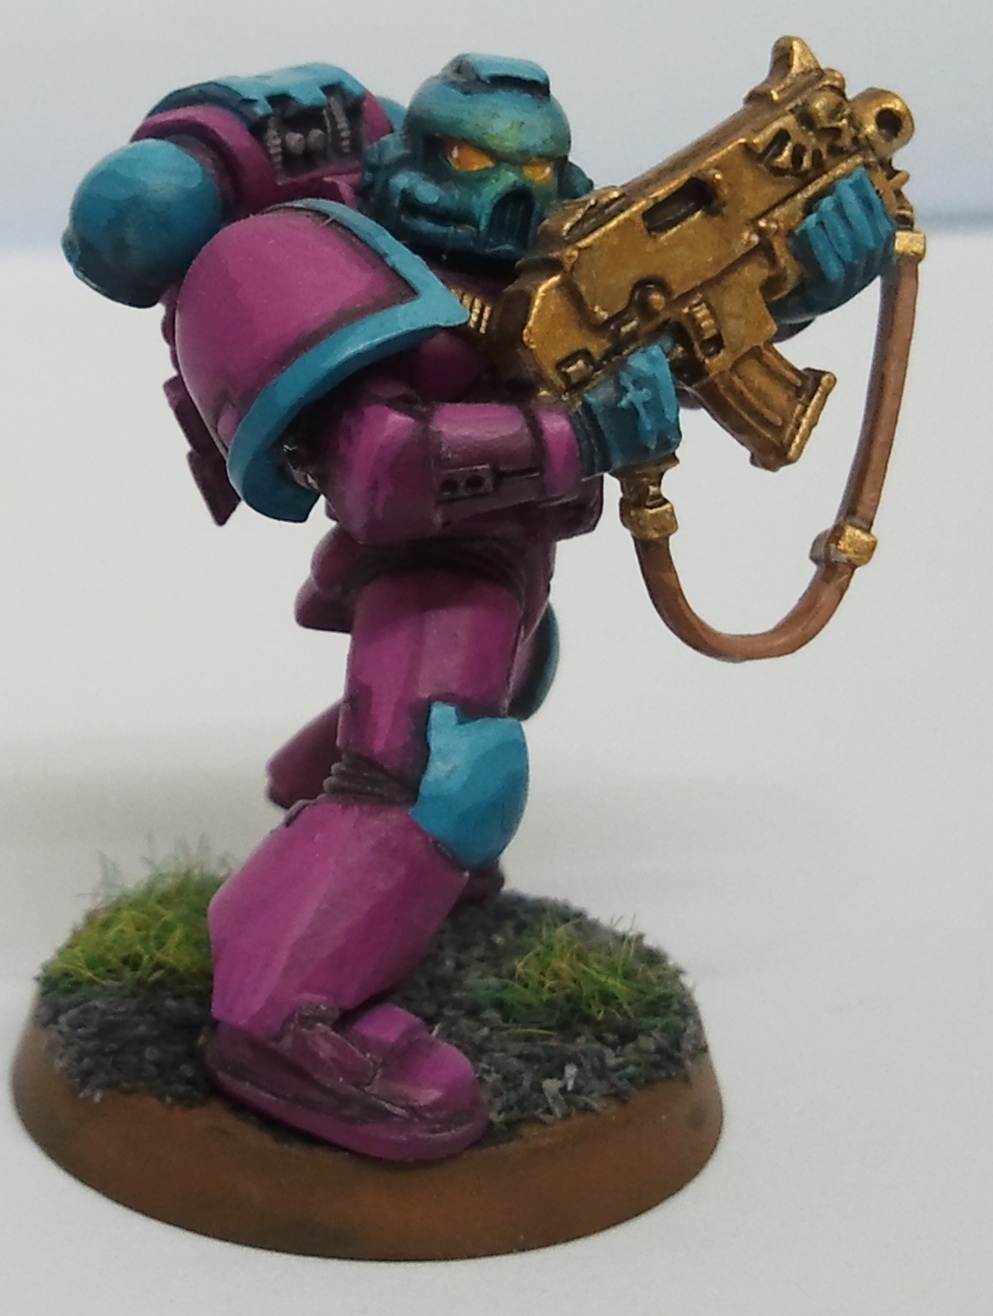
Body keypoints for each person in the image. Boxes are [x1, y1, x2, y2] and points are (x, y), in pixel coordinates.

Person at [64, 53, 895, 1159]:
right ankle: (276, 1011)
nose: (505, 197)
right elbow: (379, 469)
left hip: (509, 547)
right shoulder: (328, 256)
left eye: (533, 172)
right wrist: (578, 436)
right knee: (451, 768)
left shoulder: (564, 255)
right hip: (431, 552)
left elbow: (660, 345)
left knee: (513, 678)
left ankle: (340, 840)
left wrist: (797, 283)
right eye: (467, 160)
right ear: (410, 154)